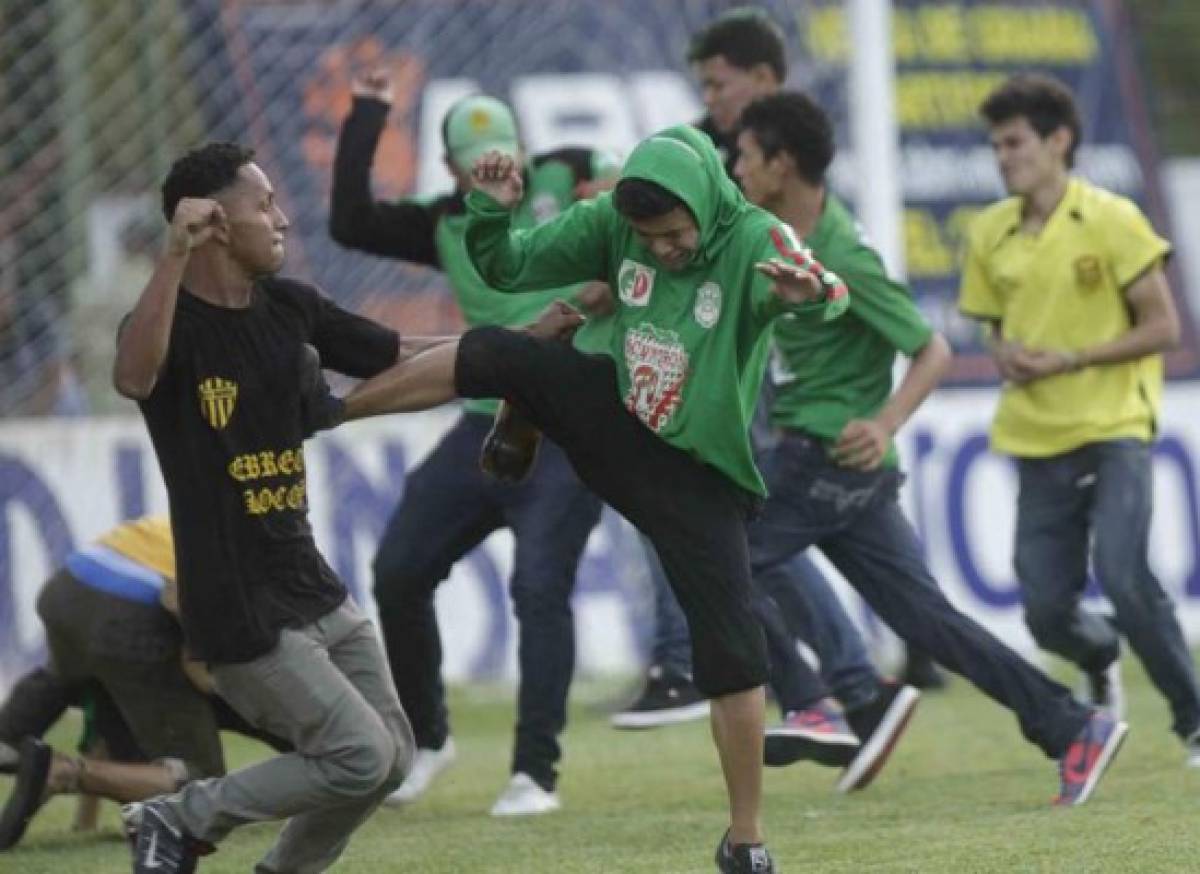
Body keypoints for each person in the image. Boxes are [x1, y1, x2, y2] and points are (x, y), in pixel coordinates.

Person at [337, 123, 849, 874]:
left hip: (694, 477)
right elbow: (507, 268)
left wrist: (809, 297)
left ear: (704, 206)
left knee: (736, 656)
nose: (664, 249)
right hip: (613, 421)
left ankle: (746, 841)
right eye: (649, 239)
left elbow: (827, 288)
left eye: (673, 235)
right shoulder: (614, 222)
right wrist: (491, 209)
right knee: (499, 347)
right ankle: (330, 409)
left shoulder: (751, 237)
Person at [731, 90, 1127, 804]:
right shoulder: (779, 240)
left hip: (828, 459)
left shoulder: (843, 252)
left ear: (781, 165)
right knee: (929, 623)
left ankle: (812, 702)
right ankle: (1072, 726)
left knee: (720, 557)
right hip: (845, 472)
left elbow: (933, 347)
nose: (734, 168)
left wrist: (883, 423)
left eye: (745, 156)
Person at [112, 141, 425, 874]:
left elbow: (398, 352)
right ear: (216, 223)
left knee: (392, 758)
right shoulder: (169, 321)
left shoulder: (289, 307)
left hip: (309, 581)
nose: (281, 218)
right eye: (264, 204)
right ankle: (175, 816)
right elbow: (133, 377)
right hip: (238, 601)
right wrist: (173, 254)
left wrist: (509, 353)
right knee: (356, 755)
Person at [330, 75, 618, 814]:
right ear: (453, 171)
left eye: (505, 152)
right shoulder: (443, 223)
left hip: (569, 432)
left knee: (538, 589)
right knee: (397, 570)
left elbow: (634, 194)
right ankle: (430, 740)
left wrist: (613, 187)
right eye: (477, 161)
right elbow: (349, 222)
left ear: (524, 147)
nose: (498, 168)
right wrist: (367, 115)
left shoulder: (571, 168)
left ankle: (535, 773)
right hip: (482, 424)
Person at [959, 73, 1200, 764]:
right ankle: (1098, 656)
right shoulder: (990, 231)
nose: (1003, 157)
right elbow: (992, 327)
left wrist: (1070, 359)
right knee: (1044, 611)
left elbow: (1163, 326)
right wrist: (1004, 351)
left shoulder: (1113, 218)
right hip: (1036, 435)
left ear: (1059, 140)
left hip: (1115, 426)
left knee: (1125, 576)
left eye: (1014, 142)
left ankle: (1193, 721)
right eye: (996, 145)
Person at [0, 516, 290, 852]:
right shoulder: (256, 558)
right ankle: (64, 774)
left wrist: (85, 822)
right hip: (129, 618)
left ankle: (9, 739)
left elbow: (100, 716)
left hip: (67, 590)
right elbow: (183, 610)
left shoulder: (209, 516)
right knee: (200, 785)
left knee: (92, 682)